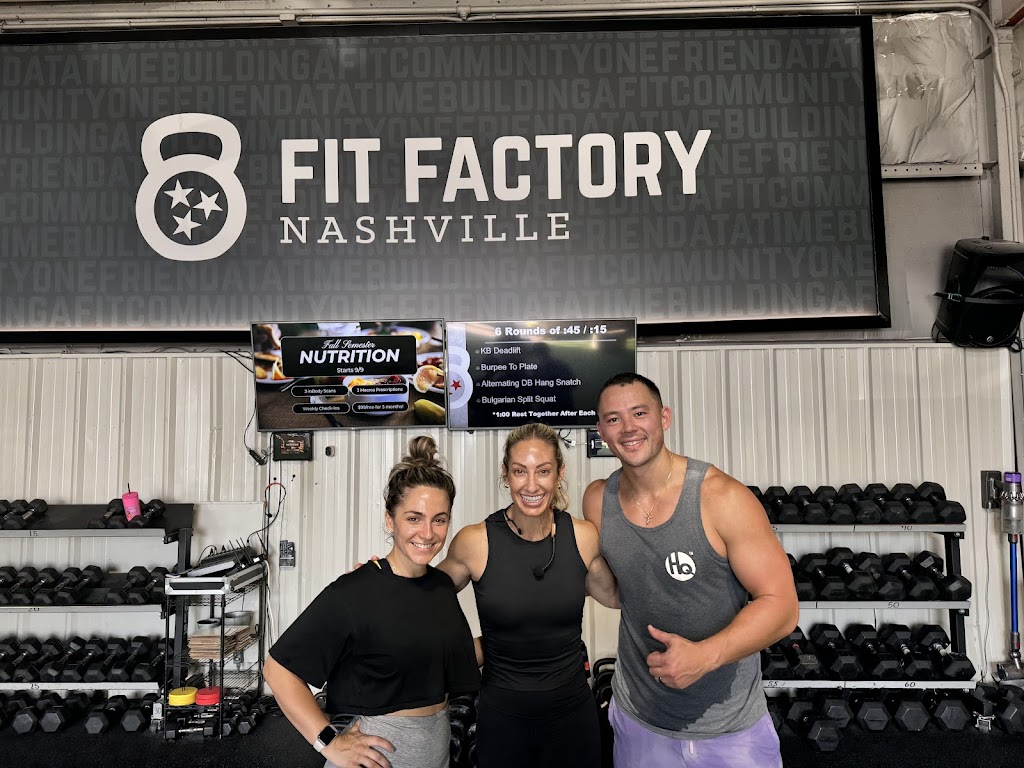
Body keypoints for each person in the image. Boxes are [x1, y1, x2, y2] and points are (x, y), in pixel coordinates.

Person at [582, 373, 799, 767]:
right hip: (639, 721)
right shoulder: (598, 501)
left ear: (664, 417)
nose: (628, 428)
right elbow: (619, 594)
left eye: (639, 413)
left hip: (730, 727)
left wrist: (705, 656)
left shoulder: (722, 498)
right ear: (601, 431)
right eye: (613, 419)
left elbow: (782, 607)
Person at [264, 436, 480, 768]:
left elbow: (443, 655)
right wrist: (329, 742)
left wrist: (523, 639)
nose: (427, 533)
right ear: (389, 520)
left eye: (439, 519)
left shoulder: (440, 587)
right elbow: (278, 670)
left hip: (434, 755)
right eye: (413, 518)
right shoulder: (354, 591)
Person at [439, 422, 619, 768]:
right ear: (505, 474)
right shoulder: (475, 542)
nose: (532, 485)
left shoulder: (583, 537)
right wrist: (379, 578)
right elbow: (422, 597)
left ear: (559, 473)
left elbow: (617, 596)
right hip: (502, 718)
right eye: (520, 471)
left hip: (572, 718)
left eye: (543, 471)